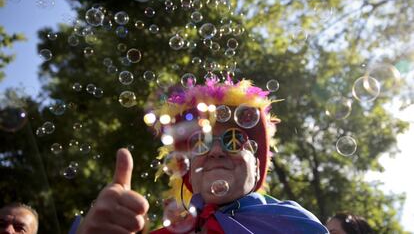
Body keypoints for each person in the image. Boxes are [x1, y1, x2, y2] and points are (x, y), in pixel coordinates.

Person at [75, 80, 329, 234]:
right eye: (199, 143)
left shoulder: (296, 226)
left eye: (233, 140)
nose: (216, 151)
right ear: (185, 169)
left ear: (257, 163)